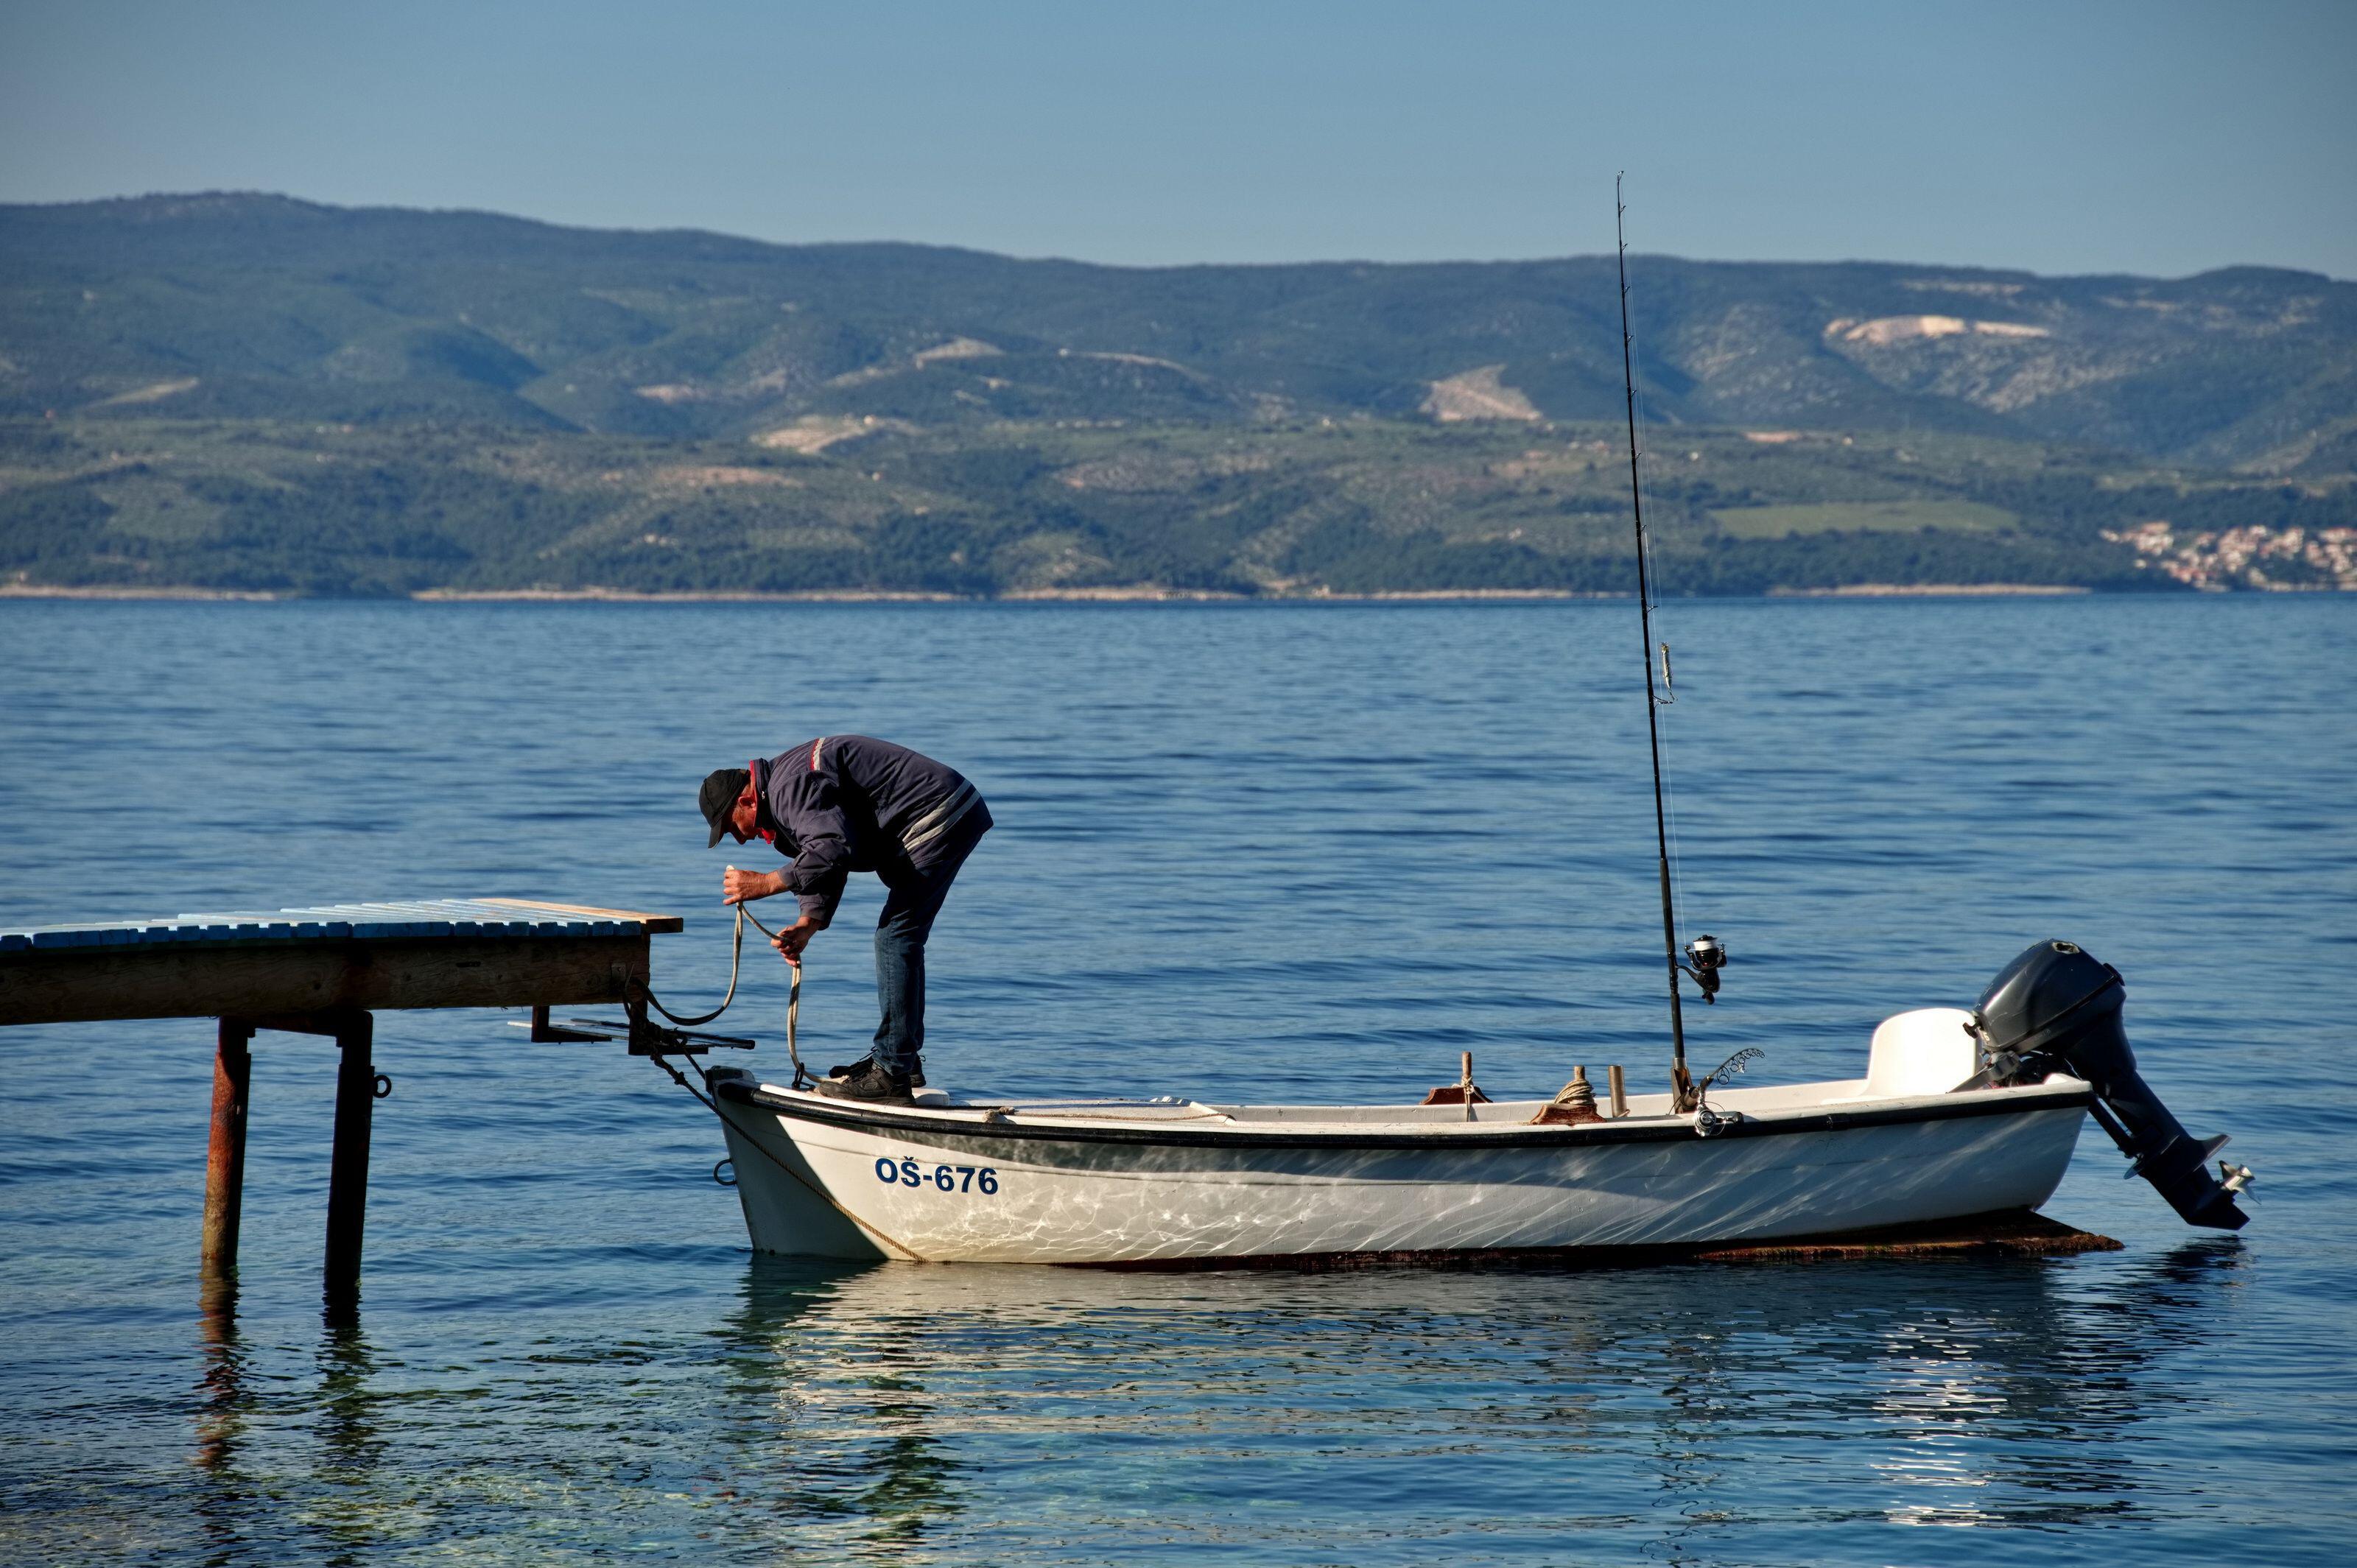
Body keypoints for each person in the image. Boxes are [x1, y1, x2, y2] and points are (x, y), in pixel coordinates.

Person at [700, 736, 991, 1104]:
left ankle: (891, 1072)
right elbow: (824, 858)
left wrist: (765, 883)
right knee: (901, 937)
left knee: (896, 938)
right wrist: (809, 922)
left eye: (731, 827)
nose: (738, 841)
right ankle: (901, 1062)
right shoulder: (781, 804)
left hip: (938, 811)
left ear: (746, 800)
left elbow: (832, 846)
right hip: (946, 809)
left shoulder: (789, 788)